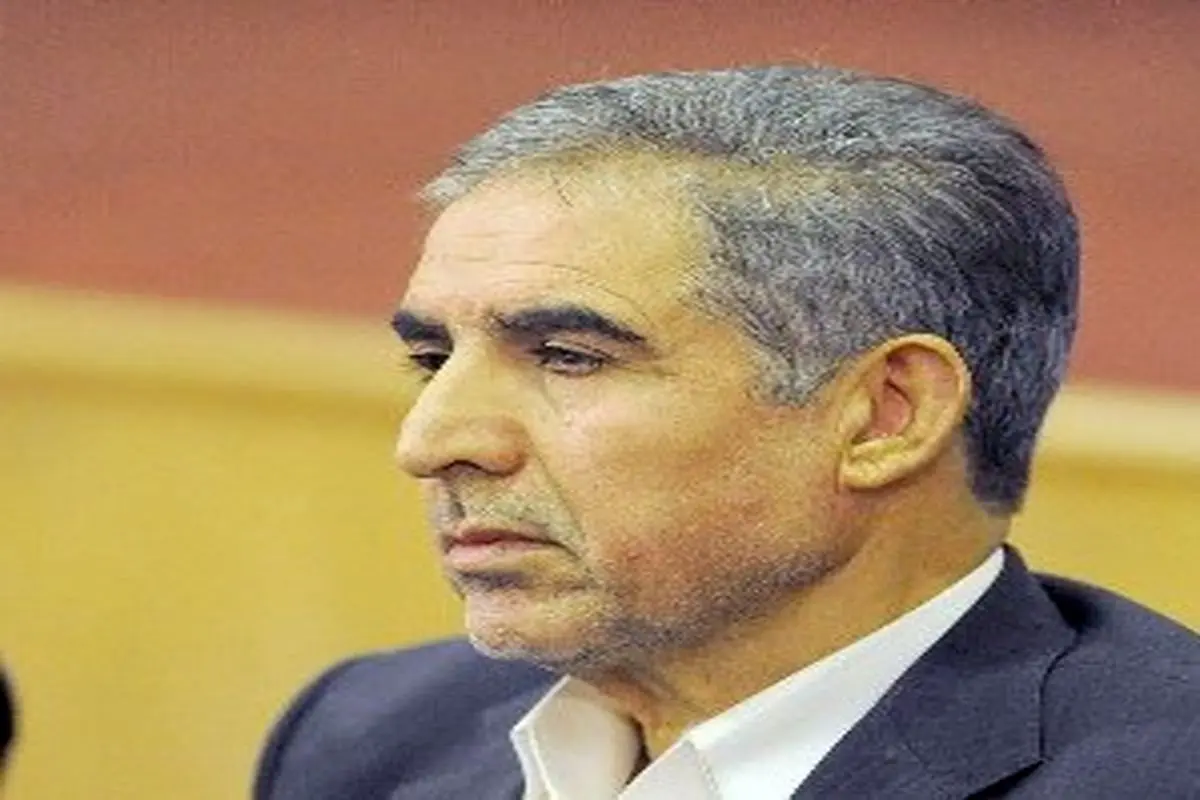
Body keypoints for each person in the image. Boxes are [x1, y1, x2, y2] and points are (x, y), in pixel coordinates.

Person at [254, 65, 1200, 799]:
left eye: (568, 357)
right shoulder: (368, 737)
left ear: (886, 416)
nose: (429, 444)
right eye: (431, 360)